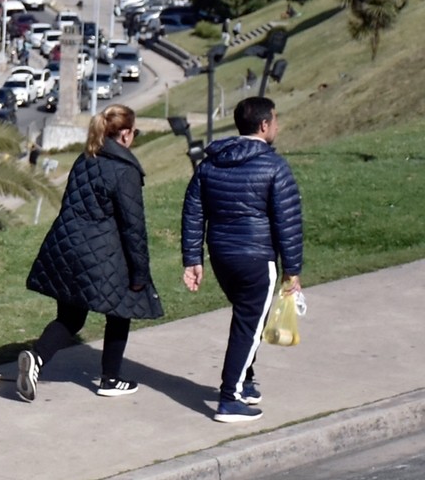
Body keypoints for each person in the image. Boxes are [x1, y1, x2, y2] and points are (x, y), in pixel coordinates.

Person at [17, 104, 161, 402]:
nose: (134, 136)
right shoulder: (124, 171)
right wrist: (139, 274)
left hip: (66, 248)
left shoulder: (85, 159)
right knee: (122, 309)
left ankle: (37, 358)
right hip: (101, 253)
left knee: (71, 317)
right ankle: (110, 378)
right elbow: (134, 228)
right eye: (134, 131)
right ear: (124, 135)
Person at [182, 96, 304, 424]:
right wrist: (292, 272)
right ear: (264, 126)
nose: (277, 125)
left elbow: (193, 211)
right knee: (250, 323)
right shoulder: (274, 166)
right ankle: (229, 397)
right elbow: (287, 221)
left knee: (248, 320)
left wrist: (193, 259)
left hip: (222, 256)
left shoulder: (210, 164)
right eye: (275, 120)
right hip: (256, 258)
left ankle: (245, 382)